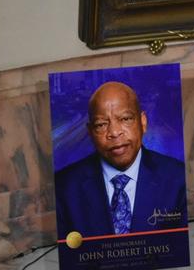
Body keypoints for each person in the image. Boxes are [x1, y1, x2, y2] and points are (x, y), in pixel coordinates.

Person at [54, 81, 187, 239]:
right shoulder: (63, 188)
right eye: (101, 124)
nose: (114, 132)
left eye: (125, 119)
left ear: (142, 122)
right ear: (90, 132)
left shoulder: (178, 179)